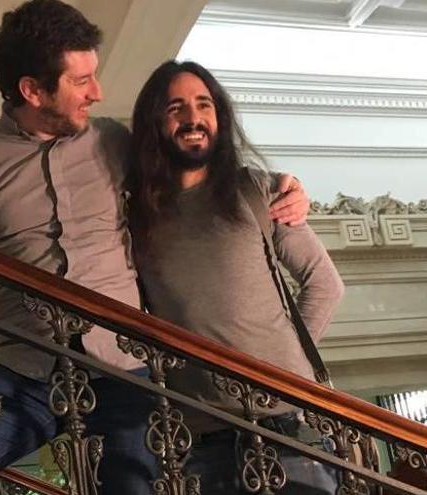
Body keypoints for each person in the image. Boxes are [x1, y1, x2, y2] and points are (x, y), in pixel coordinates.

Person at [0, 1, 312, 494]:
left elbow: (190, 174)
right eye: (81, 82)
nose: (97, 92)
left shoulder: (115, 141)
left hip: (122, 371)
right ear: (32, 90)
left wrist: (279, 186)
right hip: (23, 370)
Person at [127, 60, 345, 494]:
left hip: (288, 428)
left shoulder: (258, 189)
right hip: (202, 437)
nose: (193, 118)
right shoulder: (135, 215)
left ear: (219, 117)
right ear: (155, 122)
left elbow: (325, 284)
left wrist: (284, 371)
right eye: (175, 108)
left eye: (203, 104)